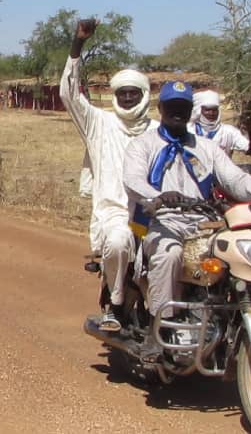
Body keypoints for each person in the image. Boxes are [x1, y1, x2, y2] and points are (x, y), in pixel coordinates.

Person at [123, 81, 251, 361]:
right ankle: (158, 328)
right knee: (170, 254)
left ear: (191, 110)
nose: (177, 112)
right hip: (162, 223)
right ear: (161, 108)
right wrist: (158, 196)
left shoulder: (206, 147)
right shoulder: (143, 145)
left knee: (239, 253)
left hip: (206, 224)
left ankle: (234, 316)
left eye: (183, 107)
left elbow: (235, 178)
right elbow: (132, 180)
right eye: (172, 107)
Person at [60, 19, 158, 332]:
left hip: (156, 214)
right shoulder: (99, 124)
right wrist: (78, 45)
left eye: (133, 93)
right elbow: (69, 94)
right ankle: (115, 304)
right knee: (118, 243)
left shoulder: (158, 131)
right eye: (122, 93)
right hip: (116, 212)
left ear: (143, 95)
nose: (128, 98)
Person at [190, 90, 251, 158]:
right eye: (207, 110)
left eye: (214, 110)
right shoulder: (189, 130)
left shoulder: (228, 132)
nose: (211, 113)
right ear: (199, 110)